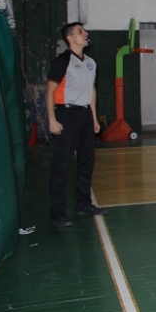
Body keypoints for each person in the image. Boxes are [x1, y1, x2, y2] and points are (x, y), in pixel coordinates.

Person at [45, 22, 106, 227]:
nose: (85, 33)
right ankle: (57, 212)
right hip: (66, 114)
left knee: (87, 162)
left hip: (85, 116)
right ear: (70, 38)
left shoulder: (91, 62)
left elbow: (92, 91)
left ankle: (83, 204)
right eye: (81, 31)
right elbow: (50, 91)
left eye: (85, 31)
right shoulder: (62, 61)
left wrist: (94, 118)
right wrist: (52, 120)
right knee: (61, 165)